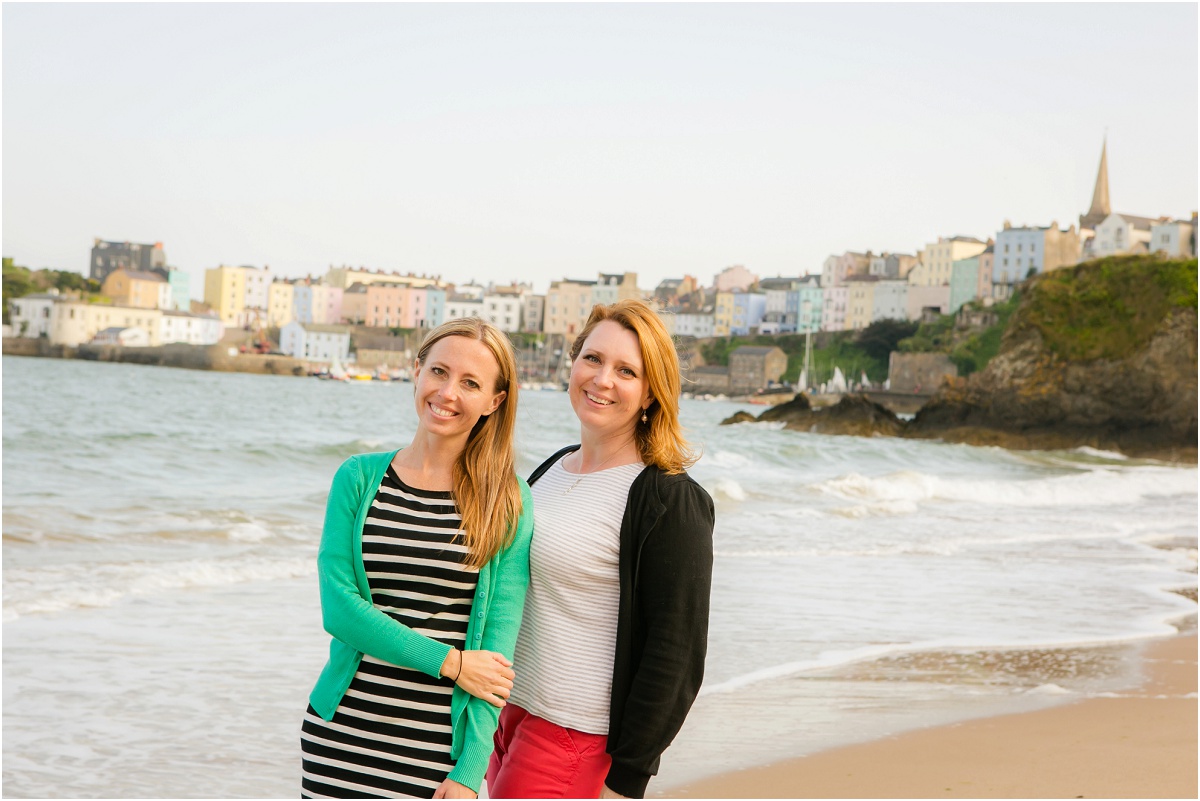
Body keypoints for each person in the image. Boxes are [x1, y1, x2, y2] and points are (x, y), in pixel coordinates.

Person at [486, 299, 715, 799]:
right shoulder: (551, 469)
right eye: (592, 359)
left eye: (626, 370)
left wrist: (626, 779)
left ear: (652, 393)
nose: (602, 379)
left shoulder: (670, 500)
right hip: (508, 717)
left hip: (573, 735)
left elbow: (676, 652)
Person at [301, 318, 533, 799]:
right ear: (416, 370)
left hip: (434, 759)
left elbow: (495, 658)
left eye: (470, 383)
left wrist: (471, 772)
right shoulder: (359, 478)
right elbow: (339, 609)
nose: (448, 392)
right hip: (340, 737)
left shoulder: (507, 501)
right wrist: (450, 662)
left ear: (495, 401)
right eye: (439, 371)